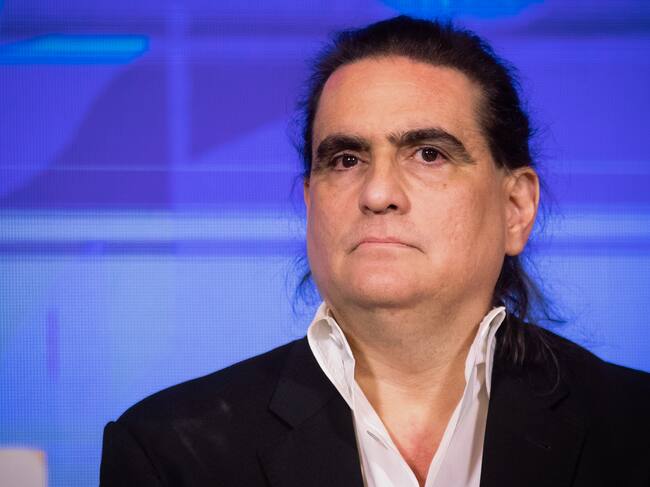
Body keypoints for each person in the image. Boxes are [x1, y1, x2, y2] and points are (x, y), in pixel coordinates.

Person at [100, 16, 650, 487]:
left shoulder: (634, 428)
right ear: (310, 204)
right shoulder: (170, 452)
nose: (378, 192)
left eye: (428, 154)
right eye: (345, 160)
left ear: (515, 208)